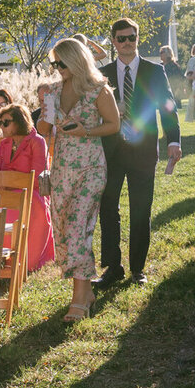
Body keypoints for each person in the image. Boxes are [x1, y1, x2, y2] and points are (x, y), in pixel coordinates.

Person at [37, 37, 120, 322]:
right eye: (54, 63)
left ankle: (79, 300)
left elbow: (114, 125)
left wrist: (85, 131)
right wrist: (45, 105)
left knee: (77, 228)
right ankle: (86, 293)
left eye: (61, 62)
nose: (56, 67)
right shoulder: (54, 90)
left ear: (75, 60)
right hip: (61, 168)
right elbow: (43, 128)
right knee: (62, 228)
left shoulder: (99, 90)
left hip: (90, 168)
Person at [95, 17, 181, 289]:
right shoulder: (103, 73)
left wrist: (174, 140)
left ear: (137, 39)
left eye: (131, 37)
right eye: (121, 38)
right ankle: (113, 267)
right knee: (108, 208)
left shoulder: (154, 71)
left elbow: (167, 106)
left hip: (143, 150)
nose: (127, 42)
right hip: (111, 149)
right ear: (113, 41)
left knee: (141, 209)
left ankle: (138, 268)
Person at [0, 103, 54, 271]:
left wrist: (10, 182)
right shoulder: (4, 143)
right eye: (0, 123)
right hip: (6, 191)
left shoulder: (37, 141)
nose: (2, 127)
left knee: (15, 207)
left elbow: (37, 176)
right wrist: (1, 184)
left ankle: (19, 259)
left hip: (31, 193)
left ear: (19, 122)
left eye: (6, 122)